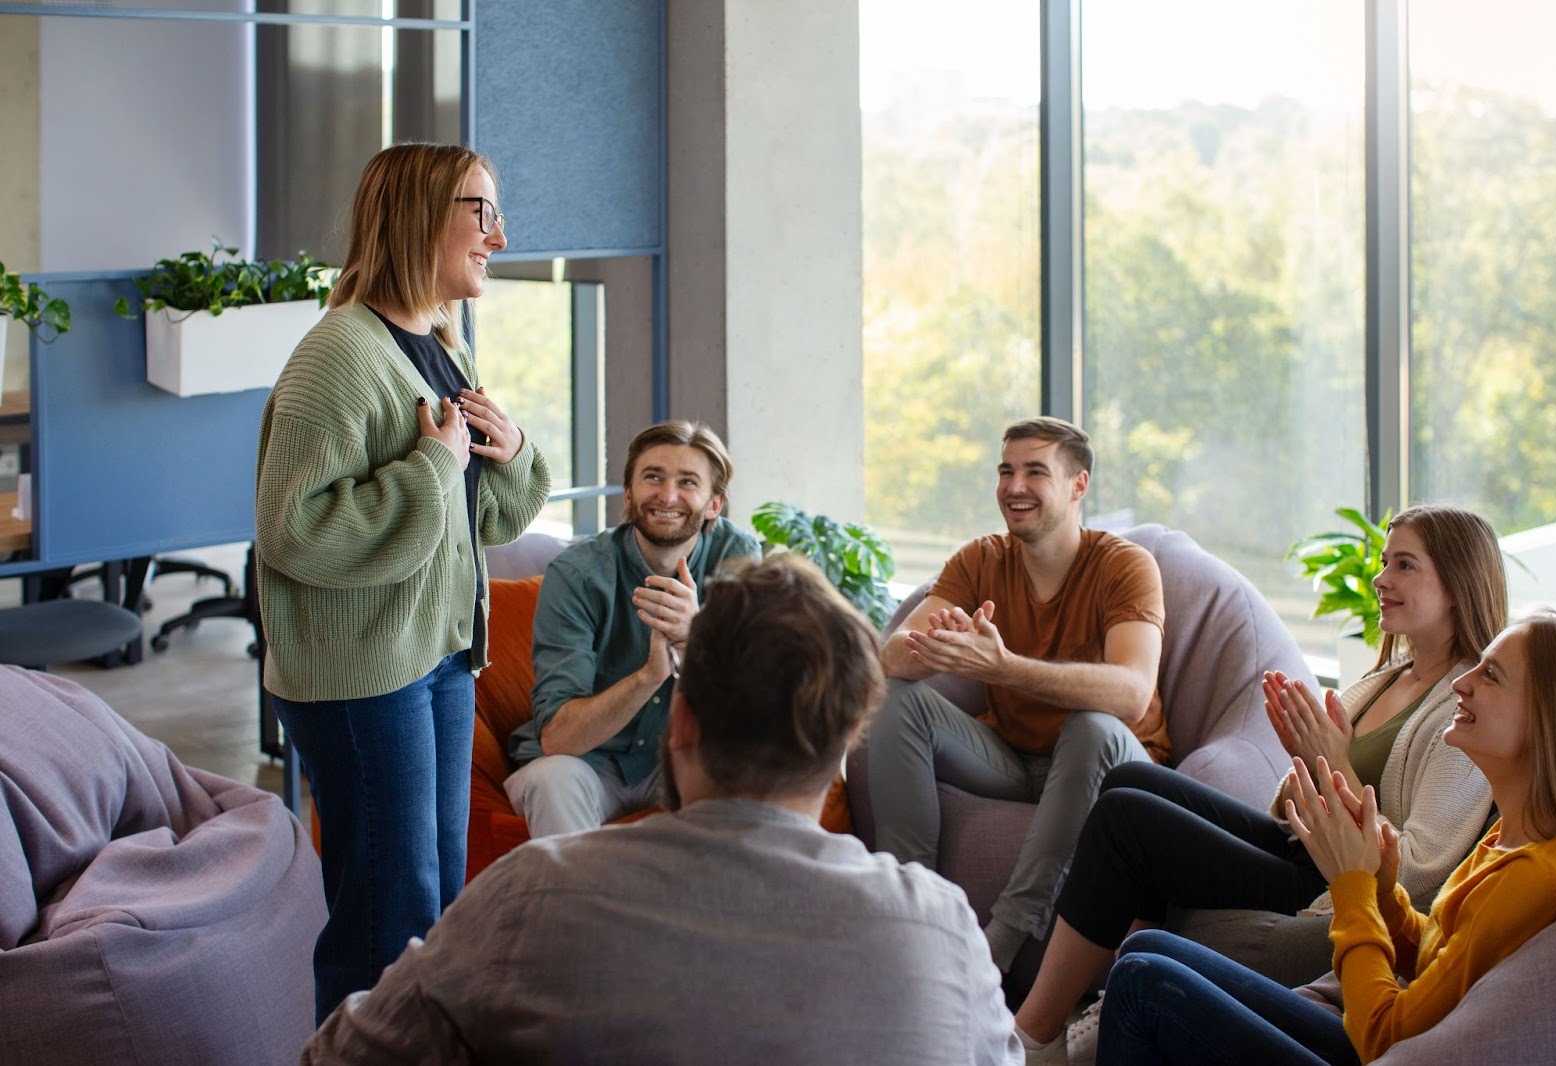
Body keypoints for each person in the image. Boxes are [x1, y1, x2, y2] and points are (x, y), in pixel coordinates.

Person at [301, 554, 1024, 1066]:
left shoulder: (531, 895)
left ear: (681, 725)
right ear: (847, 743)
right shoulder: (943, 928)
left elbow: (342, 1052)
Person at [1013, 505, 1504, 1063]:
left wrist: (1333, 764)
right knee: (1131, 780)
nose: (1380, 579)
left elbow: (1417, 871)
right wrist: (1309, 761)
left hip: (1333, 881)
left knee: (1129, 822)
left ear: (1459, 586)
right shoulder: (1386, 678)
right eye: (1386, 561)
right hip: (1303, 847)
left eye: (1405, 566)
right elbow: (1291, 807)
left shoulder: (1462, 713)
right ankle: (1103, 1006)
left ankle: (1031, 1037)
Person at [255, 142, 551, 1023]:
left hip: (436, 658)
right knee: (385, 909)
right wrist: (432, 466)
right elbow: (291, 530)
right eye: (481, 211)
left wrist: (512, 451)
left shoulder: (438, 346)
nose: (499, 236)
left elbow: (477, 524)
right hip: (362, 677)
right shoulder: (337, 357)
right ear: (423, 214)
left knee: (431, 898)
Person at [1096, 611, 1556, 1064]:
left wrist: (1353, 888)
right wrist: (1382, 890)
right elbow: (1434, 955)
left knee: (1143, 984)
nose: (1463, 683)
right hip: (1370, 1031)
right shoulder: (1509, 836)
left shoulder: (1540, 875)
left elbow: (1385, 1036)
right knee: (1147, 946)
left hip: (1374, 1045)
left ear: (1549, 719)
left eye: (1489, 675)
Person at [868, 416, 1167, 973]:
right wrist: (938, 646)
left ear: (1078, 485)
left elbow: (1130, 694)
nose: (1014, 487)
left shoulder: (1125, 565)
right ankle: (911, 913)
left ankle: (998, 943)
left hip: (1116, 768)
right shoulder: (980, 559)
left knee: (1091, 725)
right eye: (1006, 471)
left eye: (1035, 472)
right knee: (896, 696)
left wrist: (1004, 668)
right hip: (1013, 759)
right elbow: (890, 657)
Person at [503, 419, 759, 837]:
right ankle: (578, 904)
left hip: (682, 761)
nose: (668, 495)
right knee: (553, 782)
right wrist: (649, 676)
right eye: (652, 477)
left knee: (750, 779)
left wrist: (699, 638)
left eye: (688, 482)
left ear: (714, 504)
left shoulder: (738, 558)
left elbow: (758, 705)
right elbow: (558, 740)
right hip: (588, 763)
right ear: (628, 494)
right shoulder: (578, 574)